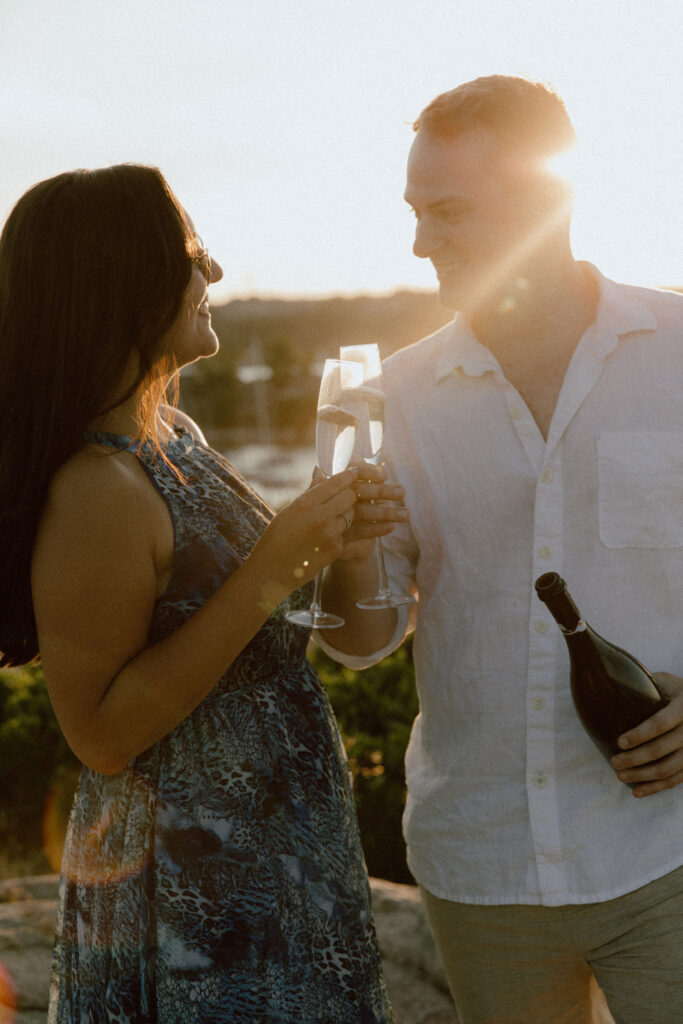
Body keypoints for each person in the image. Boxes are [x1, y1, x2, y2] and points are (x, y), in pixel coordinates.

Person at [319, 76, 683, 1023]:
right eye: (414, 210)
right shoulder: (391, 399)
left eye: (446, 212)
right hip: (480, 865)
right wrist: (347, 550)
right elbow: (360, 642)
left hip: (669, 851)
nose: (418, 242)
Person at [0, 163, 396, 1023]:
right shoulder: (93, 488)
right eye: (192, 254)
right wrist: (274, 567)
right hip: (196, 887)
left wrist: (341, 547)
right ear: (120, 285)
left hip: (278, 856)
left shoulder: (174, 433)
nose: (213, 274)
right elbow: (100, 733)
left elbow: (271, 629)